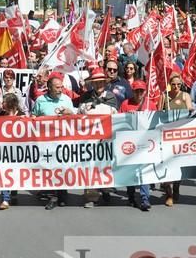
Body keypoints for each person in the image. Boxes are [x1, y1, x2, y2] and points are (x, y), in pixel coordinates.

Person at [32, 72, 75, 210]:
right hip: (46, 142)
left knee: (61, 167)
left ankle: (61, 194)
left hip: (62, 141)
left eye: (61, 87)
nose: (60, 90)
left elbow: (75, 118)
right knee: (49, 168)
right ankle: (53, 195)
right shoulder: (40, 101)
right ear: (49, 87)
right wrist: (33, 119)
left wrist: (70, 113)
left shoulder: (67, 99)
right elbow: (34, 116)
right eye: (57, 87)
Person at [78, 68, 117, 208]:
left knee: (105, 166)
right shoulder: (85, 98)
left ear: (104, 83)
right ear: (92, 84)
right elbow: (79, 117)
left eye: (101, 82)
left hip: (106, 139)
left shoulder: (111, 97)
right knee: (90, 168)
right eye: (96, 83)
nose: (98, 85)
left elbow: (116, 118)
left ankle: (106, 190)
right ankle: (91, 197)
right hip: (89, 140)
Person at [119, 80, 154, 211]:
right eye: (136, 91)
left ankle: (145, 199)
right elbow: (118, 121)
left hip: (145, 143)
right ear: (132, 91)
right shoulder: (125, 104)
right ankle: (131, 195)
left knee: (144, 171)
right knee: (131, 171)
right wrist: (128, 116)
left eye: (141, 91)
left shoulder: (151, 104)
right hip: (129, 143)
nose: (139, 93)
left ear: (145, 92)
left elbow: (156, 122)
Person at [160, 73, 193, 207]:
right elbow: (158, 112)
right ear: (169, 84)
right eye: (173, 84)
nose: (176, 87)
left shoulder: (185, 96)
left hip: (181, 137)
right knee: (167, 165)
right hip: (167, 135)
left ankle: (177, 187)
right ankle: (168, 193)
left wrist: (191, 110)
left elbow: (190, 109)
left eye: (178, 84)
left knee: (178, 166)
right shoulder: (164, 96)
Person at [0, 94, 23, 210]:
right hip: (4, 150)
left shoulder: (22, 116)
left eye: (4, 102)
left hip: (19, 151)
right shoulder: (1, 115)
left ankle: (13, 191)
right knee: (4, 172)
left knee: (16, 173)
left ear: (11, 104)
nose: (2, 104)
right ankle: (5, 199)